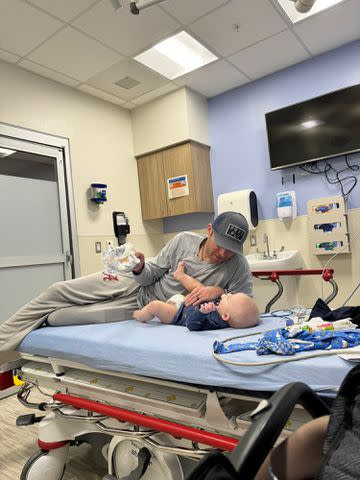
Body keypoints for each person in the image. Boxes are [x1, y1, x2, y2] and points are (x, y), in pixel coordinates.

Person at [0, 211, 253, 357]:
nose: (223, 254)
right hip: (132, 284)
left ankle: (35, 326)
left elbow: (244, 310)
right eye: (221, 246)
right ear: (210, 230)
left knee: (59, 318)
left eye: (231, 250)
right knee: (58, 291)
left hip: (147, 311)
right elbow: (149, 275)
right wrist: (140, 267)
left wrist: (219, 291)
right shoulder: (183, 241)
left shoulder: (238, 265)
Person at [133, 260, 259, 330]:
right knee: (202, 290)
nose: (229, 294)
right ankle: (180, 275)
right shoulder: (222, 309)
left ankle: (141, 315)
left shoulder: (213, 321)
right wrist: (220, 292)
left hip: (177, 314)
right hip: (184, 301)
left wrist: (202, 313)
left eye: (230, 298)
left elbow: (192, 325)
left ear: (225, 316)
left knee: (155, 306)